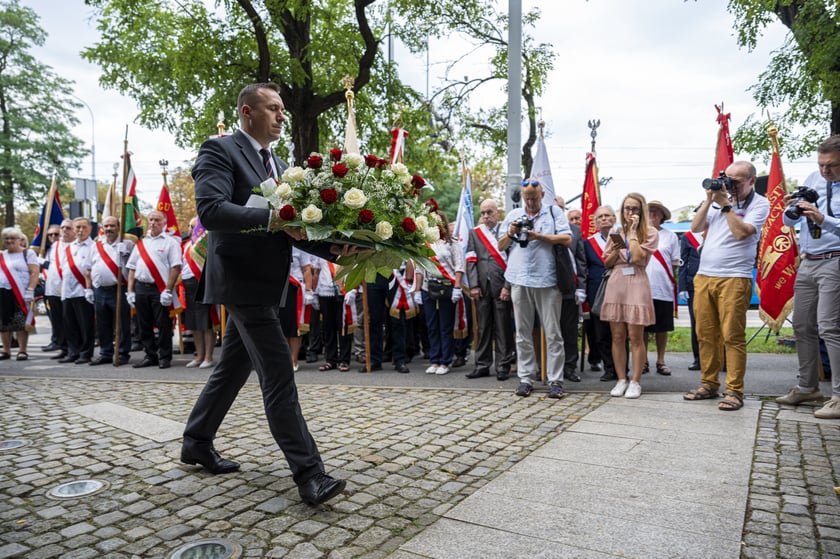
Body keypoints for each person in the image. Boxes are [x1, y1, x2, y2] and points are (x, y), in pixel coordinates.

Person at [181, 82, 351, 506]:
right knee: (278, 374)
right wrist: (274, 218)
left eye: (281, 110)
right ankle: (310, 474)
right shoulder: (219, 150)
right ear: (246, 112)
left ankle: (196, 441)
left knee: (231, 370)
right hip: (240, 280)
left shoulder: (275, 161)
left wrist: (338, 249)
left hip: (266, 281)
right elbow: (211, 211)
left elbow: (291, 226)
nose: (280, 116)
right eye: (272, 108)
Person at [684, 160, 770, 411]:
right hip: (704, 275)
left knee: (732, 335)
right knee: (705, 334)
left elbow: (742, 233)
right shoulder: (718, 199)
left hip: (735, 276)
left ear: (752, 181)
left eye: (737, 181)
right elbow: (696, 227)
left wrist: (725, 205)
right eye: (727, 179)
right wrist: (711, 199)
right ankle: (708, 384)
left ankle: (734, 390)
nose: (730, 185)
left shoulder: (760, 203)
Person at [776, 135, 840, 419]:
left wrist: (820, 217)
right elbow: (788, 222)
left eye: (833, 166)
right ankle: (808, 387)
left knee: (829, 327)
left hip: (834, 260)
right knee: (802, 325)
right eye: (822, 164)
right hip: (808, 261)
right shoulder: (813, 178)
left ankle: (838, 396)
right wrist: (793, 208)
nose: (825, 171)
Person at [498, 178, 572, 398]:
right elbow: (501, 245)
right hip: (519, 279)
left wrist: (539, 236)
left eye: (534, 198)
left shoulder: (553, 212)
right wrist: (511, 233)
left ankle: (555, 380)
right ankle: (526, 378)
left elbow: (567, 239)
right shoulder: (513, 216)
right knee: (522, 332)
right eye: (526, 199)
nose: (530, 203)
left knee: (552, 332)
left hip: (547, 279)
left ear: (541, 195)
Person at [600, 193, 658, 399]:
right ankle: (621, 378)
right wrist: (616, 251)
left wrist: (632, 233)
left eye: (634, 209)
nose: (630, 213)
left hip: (637, 283)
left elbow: (639, 257)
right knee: (617, 335)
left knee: (636, 336)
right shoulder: (615, 232)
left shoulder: (650, 232)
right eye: (627, 209)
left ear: (641, 211)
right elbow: (607, 262)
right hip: (617, 282)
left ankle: (635, 381)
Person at [464, 199, 515, 381]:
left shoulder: (507, 231)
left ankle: (503, 365)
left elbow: (512, 260)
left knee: (503, 328)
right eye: (483, 213)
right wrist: (474, 285)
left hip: (501, 286)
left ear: (497, 213)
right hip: (482, 287)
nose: (486, 216)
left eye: (490, 212)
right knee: (483, 327)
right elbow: (470, 259)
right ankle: (482, 365)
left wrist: (507, 286)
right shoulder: (475, 233)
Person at [126, 210, 182, 369]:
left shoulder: (170, 242)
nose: (153, 223)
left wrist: (168, 290)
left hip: (160, 289)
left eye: (157, 220)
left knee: (163, 324)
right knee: (143, 324)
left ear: (164, 223)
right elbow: (131, 268)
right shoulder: (141, 243)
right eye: (151, 219)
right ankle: (150, 355)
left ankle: (165, 356)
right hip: (141, 287)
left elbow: (175, 267)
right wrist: (130, 291)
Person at [414, 211, 464, 376]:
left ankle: (445, 361)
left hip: (446, 287)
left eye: (438, 221)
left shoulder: (451, 242)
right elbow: (420, 269)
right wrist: (418, 290)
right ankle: (434, 359)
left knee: (445, 325)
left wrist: (457, 287)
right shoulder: (425, 243)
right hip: (429, 288)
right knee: (432, 325)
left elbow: (459, 266)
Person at [85, 216, 132, 366]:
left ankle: (123, 353)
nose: (109, 229)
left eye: (112, 225)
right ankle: (105, 352)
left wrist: (126, 254)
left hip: (119, 289)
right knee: (103, 323)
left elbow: (134, 266)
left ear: (118, 227)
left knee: (122, 324)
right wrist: (89, 289)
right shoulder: (96, 245)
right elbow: (88, 268)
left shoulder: (127, 243)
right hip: (100, 290)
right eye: (106, 226)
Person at [642, 200, 681, 376]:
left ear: (663, 216)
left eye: (657, 212)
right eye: (650, 211)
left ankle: (661, 360)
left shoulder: (670, 236)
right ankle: (642, 360)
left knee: (662, 327)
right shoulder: (637, 234)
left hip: (662, 287)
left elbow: (674, 263)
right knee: (641, 327)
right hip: (640, 287)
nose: (653, 214)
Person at [584, 205, 620, 382]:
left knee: (620, 333)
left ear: (614, 218)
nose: (604, 219)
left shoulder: (621, 237)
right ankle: (609, 368)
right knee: (601, 333)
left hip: (620, 289)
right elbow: (584, 269)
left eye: (608, 215)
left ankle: (622, 368)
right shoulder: (588, 243)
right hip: (597, 292)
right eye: (600, 217)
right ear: (595, 222)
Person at [59, 217, 97, 364]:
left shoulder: (94, 246)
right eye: (78, 227)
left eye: (83, 227)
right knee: (70, 324)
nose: (80, 230)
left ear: (90, 229)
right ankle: (73, 351)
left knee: (85, 325)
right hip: (68, 291)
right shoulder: (68, 247)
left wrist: (89, 288)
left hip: (83, 291)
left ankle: (86, 353)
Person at [182, 217, 216, 369]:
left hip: (203, 284)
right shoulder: (185, 246)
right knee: (194, 323)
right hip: (188, 285)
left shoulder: (206, 244)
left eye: (194, 226)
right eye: (190, 226)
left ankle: (208, 357)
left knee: (206, 323)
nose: (191, 229)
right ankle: (199, 355)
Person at [0, 228, 39, 360]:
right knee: (4, 322)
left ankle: (22, 350)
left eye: (12, 238)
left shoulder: (28, 253)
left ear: (19, 240)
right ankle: (6, 350)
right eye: (6, 238)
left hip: (21, 292)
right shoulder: (2, 255)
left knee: (20, 321)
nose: (9, 241)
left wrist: (30, 290)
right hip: (3, 291)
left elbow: (34, 272)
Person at [678, 228, 703, 371]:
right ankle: (698, 358)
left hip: (715, 280)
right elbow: (683, 262)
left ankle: (723, 358)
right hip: (693, 284)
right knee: (696, 323)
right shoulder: (688, 237)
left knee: (719, 322)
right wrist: (682, 286)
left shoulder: (716, 230)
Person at [39, 224, 65, 354]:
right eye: (50, 234)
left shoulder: (62, 247)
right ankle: (56, 340)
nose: (53, 237)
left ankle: (61, 342)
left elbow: (58, 266)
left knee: (63, 318)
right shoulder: (48, 249)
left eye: (56, 234)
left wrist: (42, 262)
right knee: (53, 317)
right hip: (48, 287)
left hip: (61, 288)